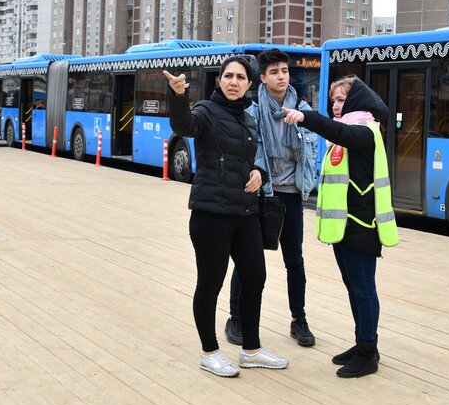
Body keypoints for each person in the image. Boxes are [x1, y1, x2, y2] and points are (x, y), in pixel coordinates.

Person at [164, 57, 288, 378]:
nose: (234, 82)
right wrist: (178, 96)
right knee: (210, 284)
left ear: (249, 84)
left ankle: (251, 349)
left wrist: (259, 171)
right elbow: (184, 126)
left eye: (240, 77)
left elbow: (255, 155)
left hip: (244, 212)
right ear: (219, 80)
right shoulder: (206, 110)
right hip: (211, 214)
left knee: (255, 278)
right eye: (228, 76)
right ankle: (210, 352)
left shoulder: (249, 117)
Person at [282, 75, 399, 379]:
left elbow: (338, 131)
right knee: (353, 288)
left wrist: (306, 117)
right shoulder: (348, 130)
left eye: (341, 99)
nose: (335, 105)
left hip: (363, 225)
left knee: (363, 290)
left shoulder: (365, 130)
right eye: (333, 100)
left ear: (358, 100)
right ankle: (363, 344)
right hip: (345, 225)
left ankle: (367, 352)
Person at [224, 49, 318, 348]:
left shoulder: (302, 109)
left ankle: (299, 319)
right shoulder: (251, 112)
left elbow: (312, 151)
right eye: (274, 72)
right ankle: (235, 318)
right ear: (262, 78)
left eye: (285, 71)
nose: (281, 76)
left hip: (291, 195)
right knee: (247, 259)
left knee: (295, 261)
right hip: (262, 195)